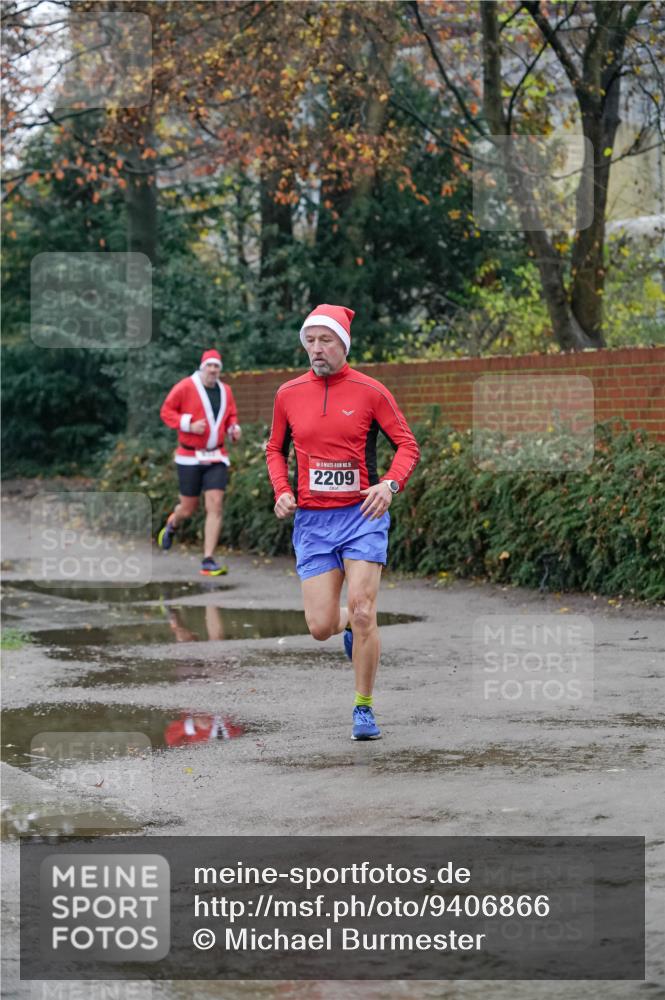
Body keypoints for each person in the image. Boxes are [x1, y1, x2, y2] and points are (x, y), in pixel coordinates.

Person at [266, 304, 420, 741]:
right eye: (310, 340)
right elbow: (274, 448)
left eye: (325, 340)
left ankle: (364, 708)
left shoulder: (371, 391)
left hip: (362, 516)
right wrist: (281, 489)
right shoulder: (288, 394)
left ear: (343, 344)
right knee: (319, 627)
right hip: (313, 522)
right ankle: (348, 624)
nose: (316, 348)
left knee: (364, 609)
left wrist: (389, 486)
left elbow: (407, 445)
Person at [158, 349, 241, 576]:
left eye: (217, 367)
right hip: (189, 456)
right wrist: (188, 424)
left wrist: (234, 428)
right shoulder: (186, 386)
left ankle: (208, 559)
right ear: (202, 367)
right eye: (210, 366)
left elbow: (231, 415)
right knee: (188, 508)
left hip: (216, 456)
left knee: (215, 505)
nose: (213, 370)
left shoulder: (226, 391)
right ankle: (173, 523)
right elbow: (166, 411)